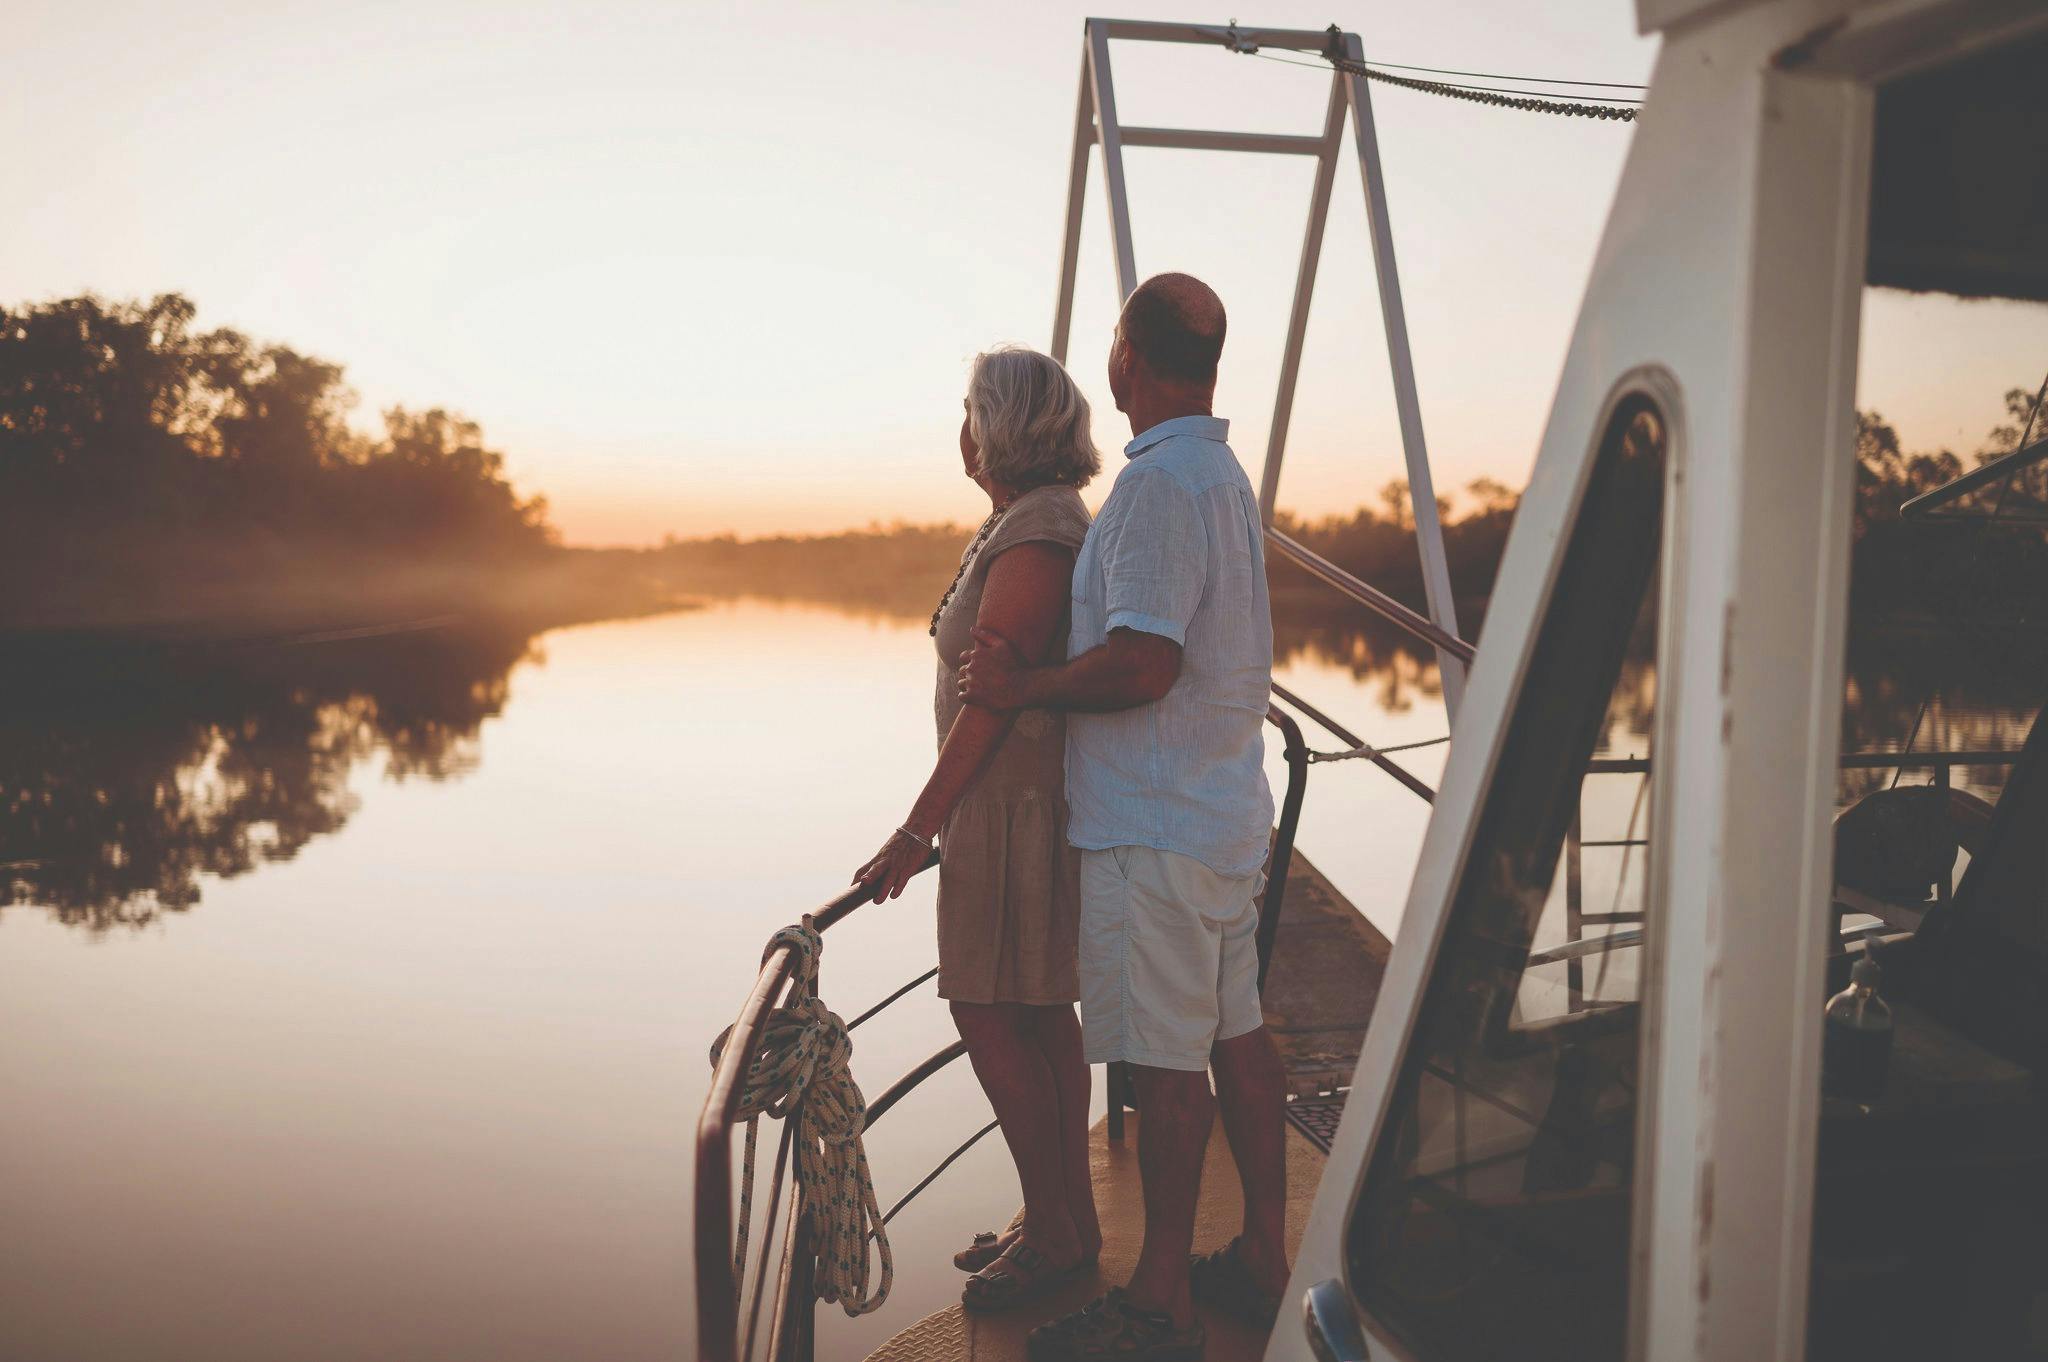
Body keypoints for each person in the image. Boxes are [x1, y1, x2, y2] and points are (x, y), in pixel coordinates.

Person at [959, 274, 1291, 1362]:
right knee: (1237, 1039)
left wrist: (1025, 687)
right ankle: (1261, 1259)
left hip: (1156, 825)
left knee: (1165, 1070)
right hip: (1221, 811)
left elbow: (1145, 663)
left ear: (1126, 360)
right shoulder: (1221, 475)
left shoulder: (1154, 489)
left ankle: (1159, 1304)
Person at [853, 345, 1105, 1313]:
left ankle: (1056, 1235)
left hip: (1011, 809)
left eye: (968, 411)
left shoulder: (1039, 529)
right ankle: (1061, 1220)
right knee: (1033, 1013)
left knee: (992, 1012)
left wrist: (917, 829)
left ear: (999, 425)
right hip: (1004, 803)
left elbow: (992, 698)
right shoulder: (1020, 520)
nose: (959, 430)